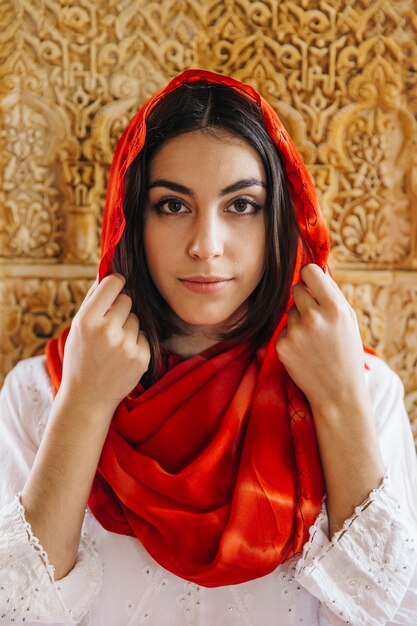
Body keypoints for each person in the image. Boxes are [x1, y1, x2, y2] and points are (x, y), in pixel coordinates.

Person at [0, 69, 416, 626]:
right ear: (128, 221)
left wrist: (339, 402)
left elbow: (390, 615)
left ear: (282, 222)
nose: (206, 246)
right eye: (172, 206)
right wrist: (84, 405)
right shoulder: (39, 395)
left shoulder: (363, 392)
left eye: (242, 205)